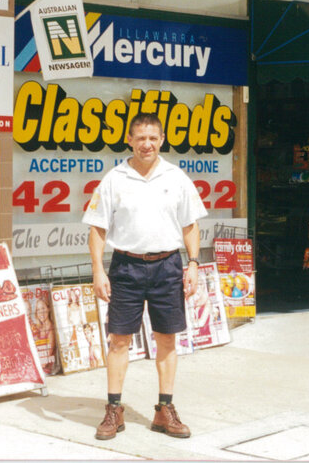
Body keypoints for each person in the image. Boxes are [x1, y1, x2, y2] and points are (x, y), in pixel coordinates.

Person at [84, 112, 207, 441]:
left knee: (167, 339)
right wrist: (98, 270)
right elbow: (97, 228)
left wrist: (193, 263)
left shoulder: (176, 177)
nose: (147, 144)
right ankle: (114, 409)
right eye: (140, 138)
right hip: (126, 267)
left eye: (153, 138)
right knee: (119, 340)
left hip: (168, 266)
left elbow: (190, 225)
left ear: (162, 139)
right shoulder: (115, 178)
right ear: (130, 139)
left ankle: (164, 409)